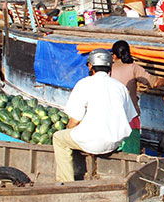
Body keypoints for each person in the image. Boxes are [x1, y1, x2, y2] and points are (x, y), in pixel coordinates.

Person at [52, 49, 136, 182]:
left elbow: (74, 120)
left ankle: (66, 182)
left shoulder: (83, 84)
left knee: (59, 138)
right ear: (110, 66)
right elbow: (130, 117)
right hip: (114, 143)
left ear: (90, 66)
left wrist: (69, 131)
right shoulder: (120, 87)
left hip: (92, 142)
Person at [110, 41, 164, 153]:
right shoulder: (133, 68)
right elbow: (154, 83)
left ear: (114, 55)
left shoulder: (108, 70)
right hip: (130, 118)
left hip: (110, 118)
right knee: (130, 154)